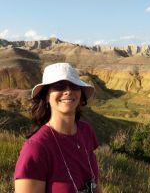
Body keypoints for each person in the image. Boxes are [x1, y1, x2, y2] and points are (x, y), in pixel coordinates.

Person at [14, 63, 102, 193]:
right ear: (46, 96)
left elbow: (96, 184)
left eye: (74, 86)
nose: (68, 91)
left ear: (80, 93)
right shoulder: (36, 148)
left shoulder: (86, 131)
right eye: (59, 86)